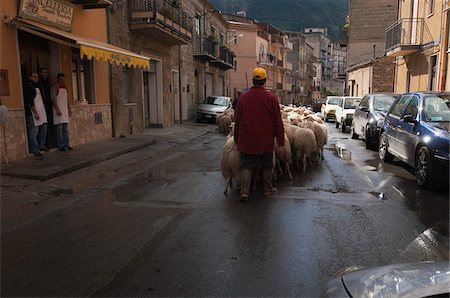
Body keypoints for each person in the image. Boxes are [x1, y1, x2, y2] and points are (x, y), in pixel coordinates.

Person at [234, 67, 284, 201]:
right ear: (265, 81)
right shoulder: (271, 98)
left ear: (253, 80)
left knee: (246, 165)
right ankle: (267, 189)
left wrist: (236, 137)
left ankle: (244, 192)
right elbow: (278, 121)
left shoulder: (243, 97)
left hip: (247, 138)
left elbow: (237, 119)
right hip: (265, 138)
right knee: (267, 164)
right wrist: (280, 140)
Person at [23, 72, 47, 157]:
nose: (36, 78)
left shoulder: (39, 86)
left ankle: (42, 146)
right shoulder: (29, 87)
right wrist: (35, 113)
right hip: (32, 112)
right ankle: (35, 149)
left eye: (37, 77)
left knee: (44, 128)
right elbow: (30, 102)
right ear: (30, 77)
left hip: (41, 111)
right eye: (34, 77)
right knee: (34, 131)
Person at [51, 73, 72, 151]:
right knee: (59, 129)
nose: (62, 81)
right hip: (58, 111)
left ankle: (67, 144)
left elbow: (66, 99)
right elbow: (53, 99)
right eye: (61, 79)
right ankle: (61, 145)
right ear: (58, 79)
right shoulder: (54, 88)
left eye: (63, 79)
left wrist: (69, 108)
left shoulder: (65, 88)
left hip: (65, 110)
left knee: (65, 129)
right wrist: (57, 109)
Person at [38, 67, 54, 149]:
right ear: (40, 73)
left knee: (49, 124)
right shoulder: (39, 83)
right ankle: (42, 144)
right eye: (43, 72)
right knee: (43, 126)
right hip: (41, 106)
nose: (44, 74)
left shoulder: (48, 81)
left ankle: (49, 142)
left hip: (48, 105)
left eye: (46, 72)